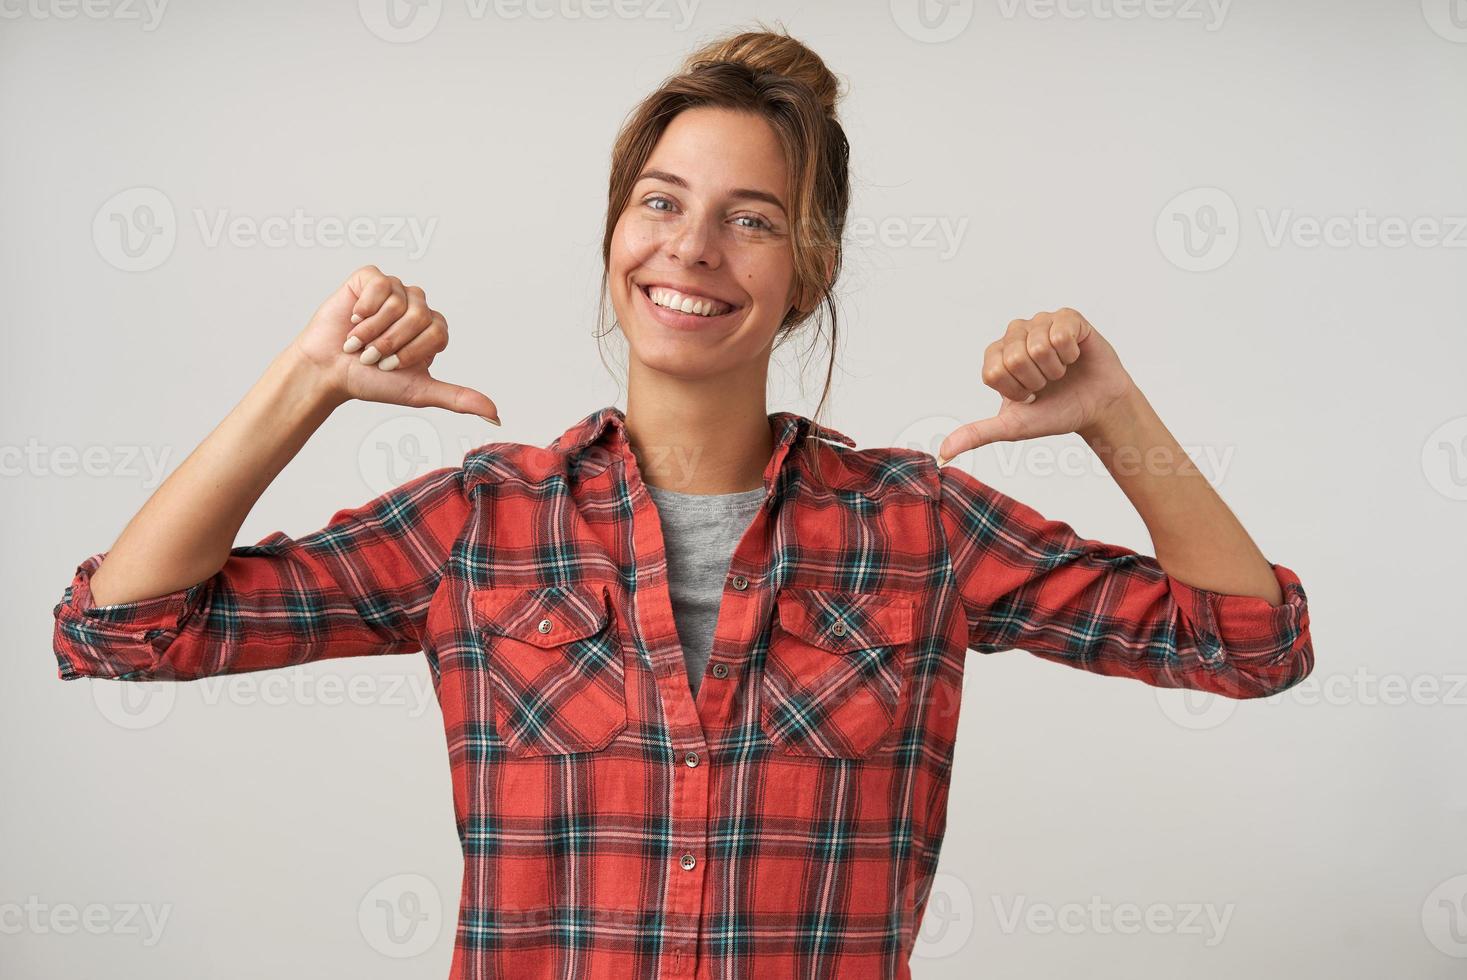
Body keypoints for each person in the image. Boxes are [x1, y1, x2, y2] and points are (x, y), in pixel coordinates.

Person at [51, 23, 1312, 980]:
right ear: (615, 230)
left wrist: (1115, 412)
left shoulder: (922, 528)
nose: (691, 249)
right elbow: (120, 627)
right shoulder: (478, 523)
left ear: (806, 274)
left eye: (748, 220)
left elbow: (1249, 644)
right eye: (661, 202)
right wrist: (307, 383)